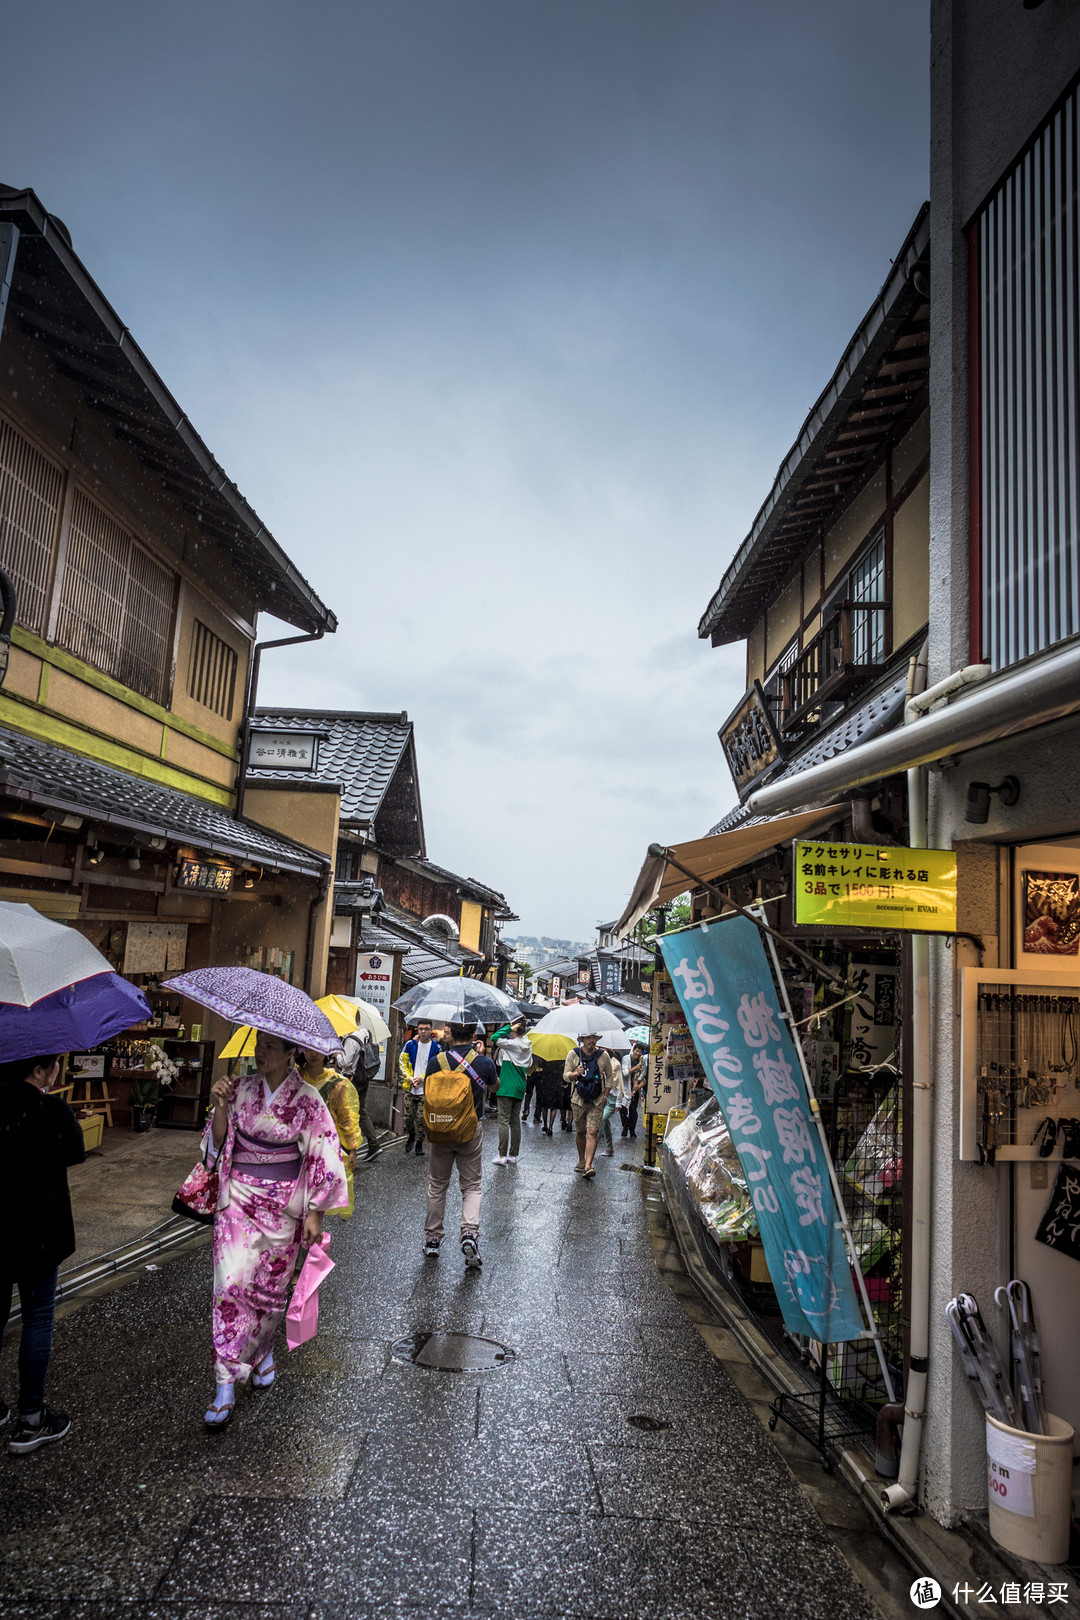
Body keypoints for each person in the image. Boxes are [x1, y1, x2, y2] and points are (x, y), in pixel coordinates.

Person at [202, 1031, 347, 1428]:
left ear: (290, 1053)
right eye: (258, 1045)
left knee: (267, 1293)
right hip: (237, 1201)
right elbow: (217, 1145)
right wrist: (218, 1105)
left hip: (283, 1208)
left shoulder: (308, 1099)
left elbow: (323, 1152)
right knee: (230, 1287)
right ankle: (225, 1382)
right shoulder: (237, 1090)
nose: (260, 1053)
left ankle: (263, 1349)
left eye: (270, 1046)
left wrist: (316, 1212)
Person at [0, 1054, 84, 1454]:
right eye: (53, 1065)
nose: (56, 1072)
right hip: (39, 1234)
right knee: (36, 1321)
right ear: (38, 1070)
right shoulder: (52, 1109)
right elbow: (75, 1153)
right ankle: (31, 1419)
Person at [421, 1022, 498, 1267]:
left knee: (437, 1185)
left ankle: (433, 1239)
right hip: (470, 1130)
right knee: (472, 1186)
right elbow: (495, 1086)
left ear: (451, 1033)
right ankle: (469, 1233)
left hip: (441, 1128)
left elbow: (427, 1092)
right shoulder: (484, 1063)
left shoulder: (436, 1061)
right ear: (474, 1034)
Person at [300, 1047, 360, 1217]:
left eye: (317, 1049)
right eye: (308, 1049)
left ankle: (311, 1238)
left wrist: (352, 1149)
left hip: (324, 1149)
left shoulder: (337, 1083)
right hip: (295, 1147)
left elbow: (346, 1118)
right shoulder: (294, 1078)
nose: (313, 1054)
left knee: (318, 1199)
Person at [563, 1032, 618, 1178]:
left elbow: (610, 1076)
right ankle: (581, 1160)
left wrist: (606, 1094)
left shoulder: (603, 1055)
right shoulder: (573, 1054)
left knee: (592, 1132)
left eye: (594, 1038)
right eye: (588, 1038)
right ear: (581, 1039)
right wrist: (575, 1074)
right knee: (580, 1132)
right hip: (578, 1099)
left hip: (597, 1100)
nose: (592, 1041)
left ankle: (588, 1165)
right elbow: (565, 1075)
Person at [491, 1017, 532, 1165]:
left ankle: (502, 1155)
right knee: (515, 1122)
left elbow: (494, 1037)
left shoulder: (511, 1044)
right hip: (520, 1085)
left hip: (507, 1085)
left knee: (503, 1120)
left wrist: (509, 1027)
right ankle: (513, 1155)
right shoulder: (528, 1045)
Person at [339, 1022, 383, 1160]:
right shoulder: (366, 1033)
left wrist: (336, 1055)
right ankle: (374, 1144)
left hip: (351, 1079)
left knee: (346, 1112)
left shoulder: (351, 1039)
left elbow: (345, 1062)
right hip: (363, 1077)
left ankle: (347, 1149)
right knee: (360, 1111)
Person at [398, 1019, 438, 1156]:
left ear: (431, 1030)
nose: (423, 1031)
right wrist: (410, 1078)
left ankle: (419, 1142)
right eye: (421, 1029)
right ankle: (411, 1135)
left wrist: (422, 1077)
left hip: (426, 1089)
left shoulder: (436, 1048)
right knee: (408, 1117)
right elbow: (402, 1062)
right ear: (417, 1029)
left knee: (421, 1119)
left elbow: (437, 1068)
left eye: (426, 1029)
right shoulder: (410, 1044)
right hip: (410, 1087)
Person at [532, 1055, 564, 1136]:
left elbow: (540, 1066)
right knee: (554, 1106)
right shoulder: (560, 1057)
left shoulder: (545, 1057)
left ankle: (545, 1124)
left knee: (544, 1105)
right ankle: (550, 1127)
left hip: (545, 1081)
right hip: (556, 1082)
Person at [620, 1041, 646, 1139]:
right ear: (633, 1050)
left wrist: (636, 1087)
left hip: (636, 1088)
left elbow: (643, 1074)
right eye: (637, 1051)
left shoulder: (643, 1061)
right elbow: (625, 1073)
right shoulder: (626, 1058)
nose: (638, 1053)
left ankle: (632, 1129)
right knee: (622, 1109)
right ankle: (625, 1126)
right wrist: (636, 1067)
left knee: (633, 1110)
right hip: (625, 1087)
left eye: (640, 1052)